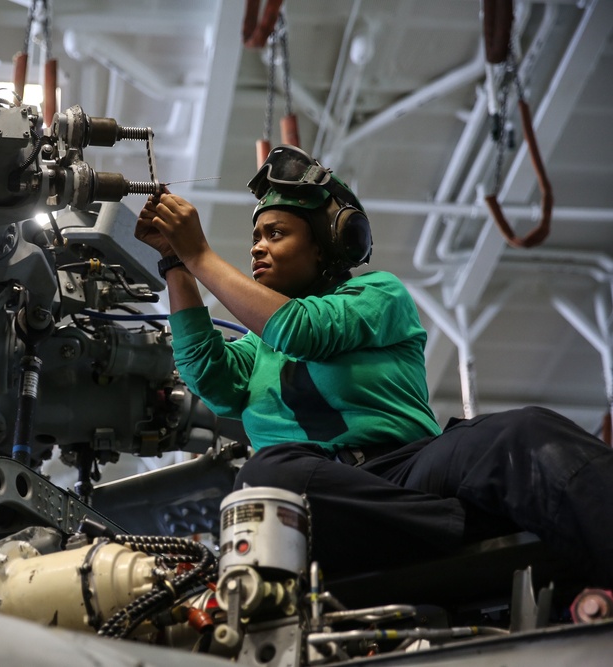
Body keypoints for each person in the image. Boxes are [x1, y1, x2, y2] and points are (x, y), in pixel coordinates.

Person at [134, 144, 613, 583]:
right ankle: (457, 522)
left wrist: (200, 255)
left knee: (522, 432)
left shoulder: (377, 295)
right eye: (256, 236)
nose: (258, 246)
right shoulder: (260, 350)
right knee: (267, 476)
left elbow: (301, 330)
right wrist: (176, 264)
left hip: (411, 466)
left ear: (324, 245)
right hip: (331, 496)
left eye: (275, 234)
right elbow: (204, 370)